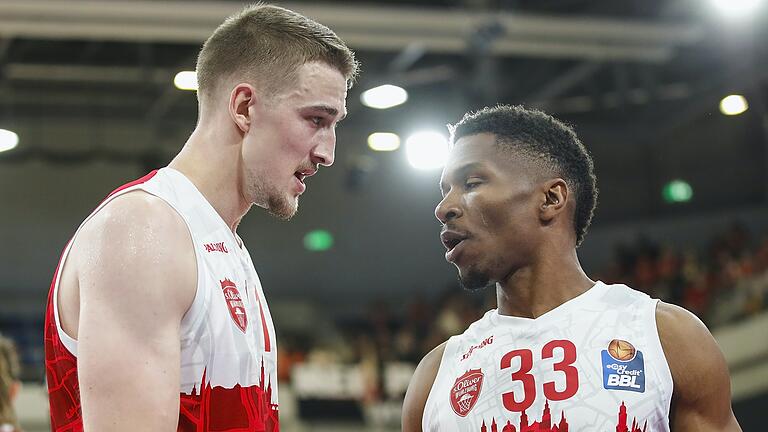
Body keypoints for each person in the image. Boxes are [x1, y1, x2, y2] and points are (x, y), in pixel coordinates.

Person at [43, 4, 358, 431]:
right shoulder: (144, 229)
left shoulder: (221, 243)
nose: (328, 152)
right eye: (316, 119)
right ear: (244, 107)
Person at [402, 105, 741, 432]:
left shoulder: (665, 337)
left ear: (550, 199)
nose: (443, 207)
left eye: (472, 183)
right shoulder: (435, 377)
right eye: (445, 191)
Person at [0, 335, 22, 432]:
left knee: (7, 415)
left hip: (5, 383)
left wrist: (14, 380)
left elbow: (14, 367)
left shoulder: (4, 344)